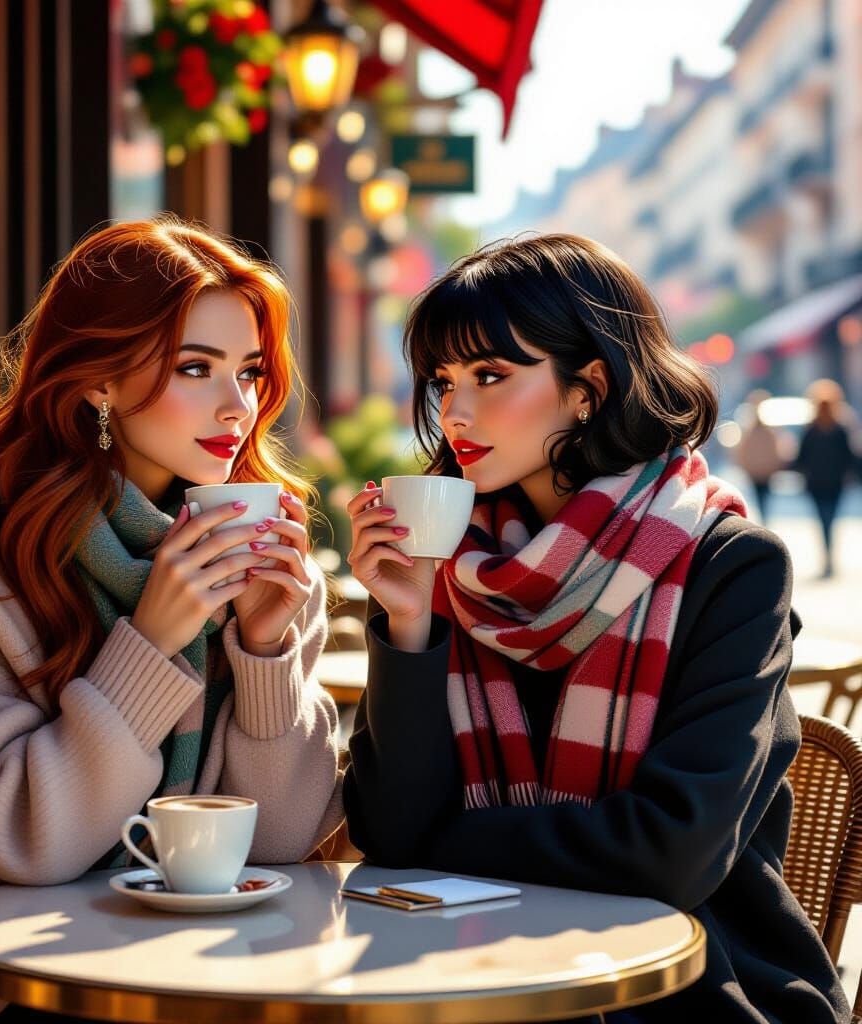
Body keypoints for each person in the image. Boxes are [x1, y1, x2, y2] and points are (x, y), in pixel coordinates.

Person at [0, 217, 343, 1024]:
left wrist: (264, 647)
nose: (237, 406)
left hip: (202, 962)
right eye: (195, 368)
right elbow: (28, 845)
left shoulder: (254, 558)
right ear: (96, 382)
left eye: (249, 372)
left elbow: (280, 842)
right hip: (0, 976)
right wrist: (150, 642)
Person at [342, 234, 850, 1024]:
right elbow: (387, 826)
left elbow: (669, 855)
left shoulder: (729, 566)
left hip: (689, 987)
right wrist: (409, 622)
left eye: (490, 375)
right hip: (466, 972)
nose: (455, 411)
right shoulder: (442, 565)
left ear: (589, 388)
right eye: (443, 381)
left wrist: (449, 836)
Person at [794, 379, 856, 578]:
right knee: (828, 520)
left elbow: (800, 458)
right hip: (831, 483)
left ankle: (828, 557)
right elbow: (850, 457)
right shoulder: (837, 429)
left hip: (820, 484)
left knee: (825, 520)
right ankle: (829, 557)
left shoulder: (816, 429)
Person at [732, 388, 788, 525]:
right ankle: (764, 517)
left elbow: (742, 451)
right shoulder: (767, 431)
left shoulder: (754, 431)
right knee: (763, 496)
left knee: (761, 496)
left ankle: (764, 517)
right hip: (763, 471)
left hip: (758, 471)